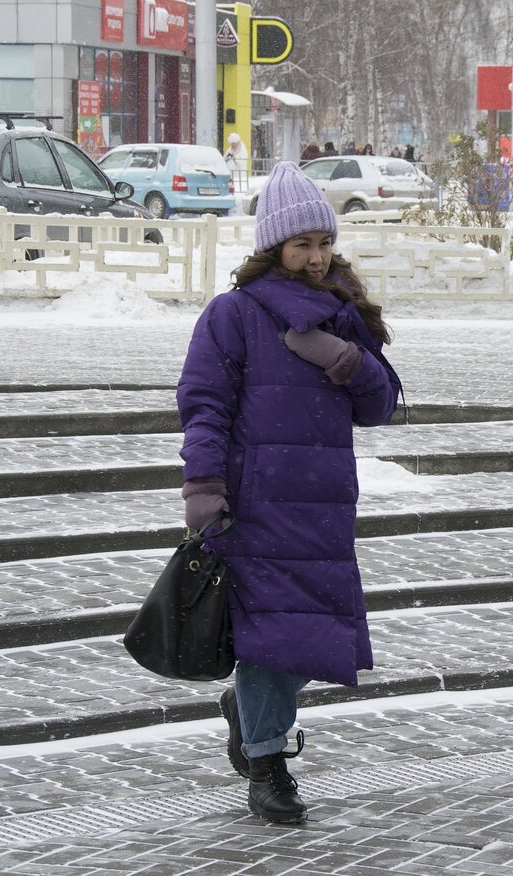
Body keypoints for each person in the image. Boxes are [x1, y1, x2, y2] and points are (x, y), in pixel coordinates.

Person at [176, 161, 401, 824]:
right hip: (256, 505)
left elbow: (383, 405)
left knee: (311, 636)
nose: (315, 257)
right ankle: (269, 766)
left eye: (323, 243)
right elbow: (205, 405)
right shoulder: (233, 315)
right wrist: (204, 485)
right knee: (274, 638)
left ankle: (249, 711)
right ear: (272, 246)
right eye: (301, 244)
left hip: (324, 505)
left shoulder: (344, 313)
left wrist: (349, 360)